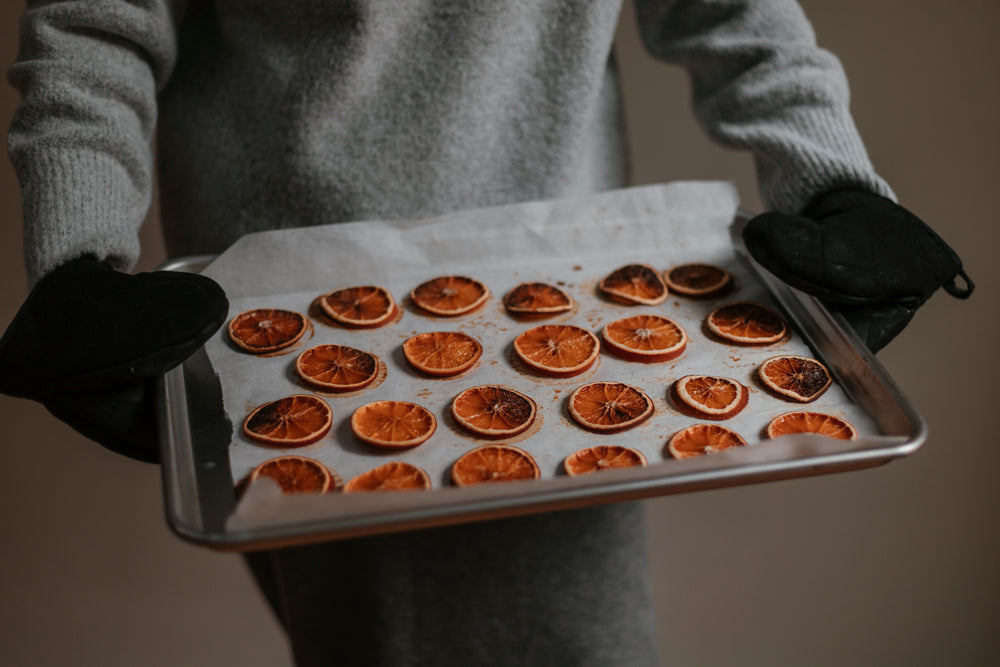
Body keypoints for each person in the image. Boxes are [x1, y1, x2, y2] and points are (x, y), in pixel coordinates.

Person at [0, 1, 971, 666]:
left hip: (560, 296)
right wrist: (80, 254)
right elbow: (97, 27)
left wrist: (830, 179)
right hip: (294, 322)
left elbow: (730, 8)